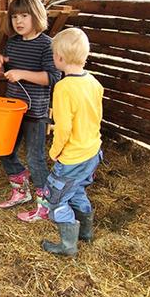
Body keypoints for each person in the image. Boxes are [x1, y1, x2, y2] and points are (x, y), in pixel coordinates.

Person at [0, 0, 61, 222]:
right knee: (4, 150)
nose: (18, 21)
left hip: (35, 112)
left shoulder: (46, 45)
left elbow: (52, 77)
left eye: (24, 15)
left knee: (35, 157)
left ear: (37, 16)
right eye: (14, 17)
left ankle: (44, 204)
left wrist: (22, 74)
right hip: (12, 111)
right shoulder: (13, 43)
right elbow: (7, 77)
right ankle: (21, 190)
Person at [41, 28, 103, 256]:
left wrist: (55, 151)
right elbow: (95, 116)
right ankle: (86, 233)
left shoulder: (64, 87)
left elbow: (64, 128)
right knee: (77, 190)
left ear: (59, 58)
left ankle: (68, 246)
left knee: (55, 200)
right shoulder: (93, 82)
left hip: (73, 156)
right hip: (92, 151)